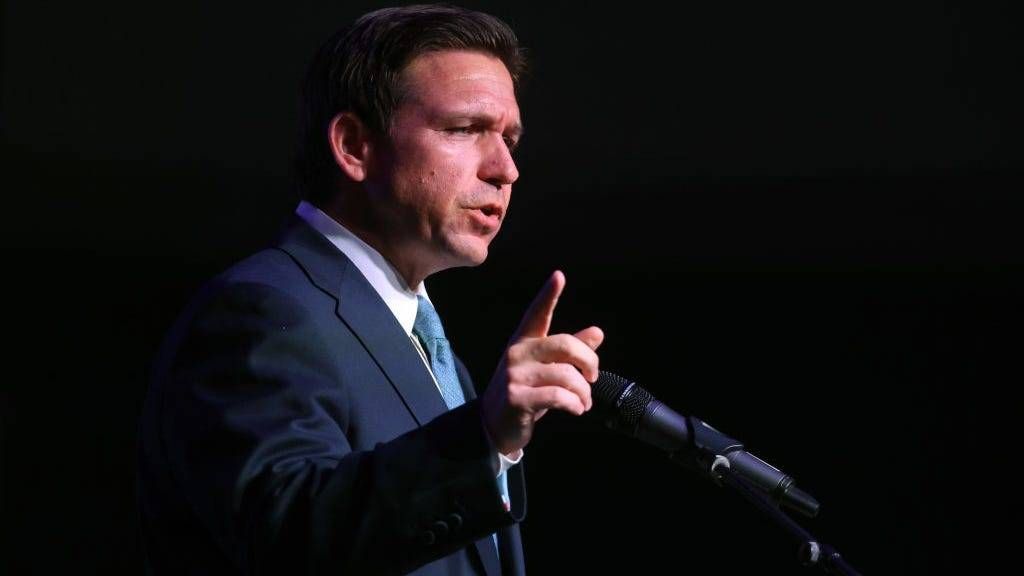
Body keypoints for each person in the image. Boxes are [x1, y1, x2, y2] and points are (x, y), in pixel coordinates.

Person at [137, 5, 604, 575]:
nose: (506, 169)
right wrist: (483, 437)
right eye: (465, 129)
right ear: (355, 146)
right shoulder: (261, 312)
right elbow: (288, 537)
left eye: (510, 139)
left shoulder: (430, 346)